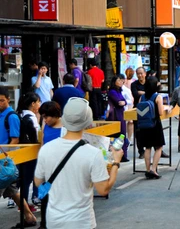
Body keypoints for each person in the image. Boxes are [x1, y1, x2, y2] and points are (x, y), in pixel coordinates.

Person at [34, 97, 123, 229]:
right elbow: (103, 189)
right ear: (87, 122)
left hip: (54, 221)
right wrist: (116, 163)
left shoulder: (46, 149)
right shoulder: (93, 153)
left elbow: (38, 182)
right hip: (82, 221)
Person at [38, 101, 63, 228]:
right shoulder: (45, 125)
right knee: (45, 197)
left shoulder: (66, 127)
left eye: (46, 117)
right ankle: (44, 224)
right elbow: (43, 143)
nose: (45, 119)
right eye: (43, 117)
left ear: (55, 115)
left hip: (62, 168)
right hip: (47, 167)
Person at [16, 92, 41, 208]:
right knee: (28, 179)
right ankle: (25, 205)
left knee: (22, 179)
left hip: (19, 151)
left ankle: (22, 204)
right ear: (33, 104)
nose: (39, 104)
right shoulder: (31, 117)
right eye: (38, 102)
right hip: (31, 152)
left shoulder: (19, 114)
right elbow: (36, 136)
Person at [137, 77, 166, 179]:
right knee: (159, 147)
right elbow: (161, 112)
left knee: (147, 147)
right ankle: (154, 169)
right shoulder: (158, 97)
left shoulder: (142, 97)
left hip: (144, 125)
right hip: (155, 124)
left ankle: (147, 169)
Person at [106, 74, 129, 162]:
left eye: (121, 80)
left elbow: (125, 101)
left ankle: (123, 155)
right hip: (115, 115)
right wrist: (122, 102)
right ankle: (117, 154)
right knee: (118, 135)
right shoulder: (112, 91)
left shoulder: (119, 91)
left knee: (122, 135)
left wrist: (123, 102)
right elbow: (119, 102)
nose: (121, 82)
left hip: (121, 113)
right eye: (119, 80)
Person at [131, 67, 147, 159]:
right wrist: (145, 93)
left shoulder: (149, 83)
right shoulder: (134, 84)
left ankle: (158, 148)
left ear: (145, 73)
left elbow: (152, 94)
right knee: (138, 131)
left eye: (141, 73)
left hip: (148, 109)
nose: (140, 75)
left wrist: (142, 92)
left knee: (151, 129)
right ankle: (141, 151)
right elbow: (135, 94)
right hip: (137, 109)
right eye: (138, 74)